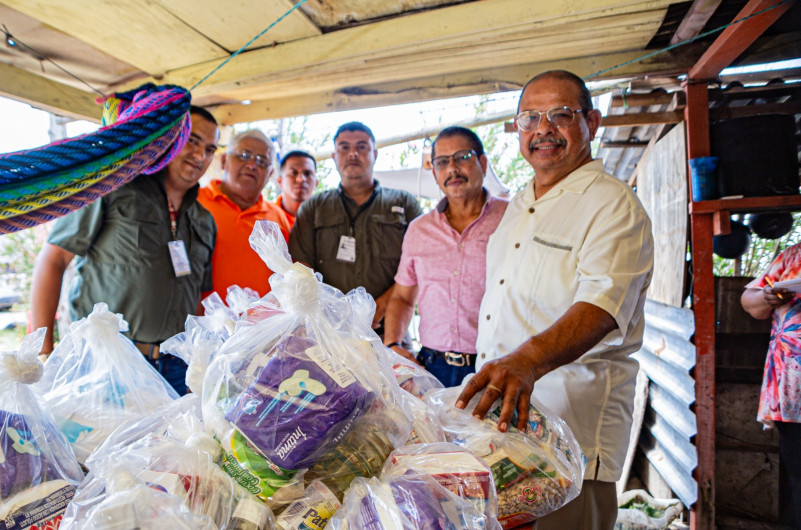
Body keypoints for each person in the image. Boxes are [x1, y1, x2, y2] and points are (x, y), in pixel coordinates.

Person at [456, 70, 654, 529]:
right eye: (529, 118)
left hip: (572, 435)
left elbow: (602, 308)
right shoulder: (519, 202)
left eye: (560, 115)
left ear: (592, 122)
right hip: (506, 428)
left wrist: (526, 360)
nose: (542, 128)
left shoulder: (612, 205)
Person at [30, 106, 220, 395]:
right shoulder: (113, 187)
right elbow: (53, 259)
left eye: (210, 149)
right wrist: (42, 355)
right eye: (192, 140)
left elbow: (195, 298)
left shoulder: (205, 219)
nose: (200, 156)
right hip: (105, 362)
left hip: (177, 369)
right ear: (172, 138)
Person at [383, 126, 507, 386]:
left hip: (496, 364)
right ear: (435, 172)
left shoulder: (511, 218)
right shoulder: (419, 229)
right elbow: (403, 297)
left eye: (462, 157)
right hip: (431, 365)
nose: (452, 168)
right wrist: (393, 345)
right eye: (442, 161)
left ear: (483, 163)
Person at [289, 121, 423, 336]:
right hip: (329, 332)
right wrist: (331, 311)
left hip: (389, 332)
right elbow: (300, 268)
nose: (353, 153)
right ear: (334, 156)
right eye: (344, 147)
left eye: (362, 147)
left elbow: (419, 263)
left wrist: (382, 307)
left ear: (375, 154)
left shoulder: (405, 205)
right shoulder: (313, 208)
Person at [741, 247, 801, 527]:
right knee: (797, 478)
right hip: (793, 395)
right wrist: (767, 296)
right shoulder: (793, 257)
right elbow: (750, 302)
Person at [198, 129, 291, 301]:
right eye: (244, 155)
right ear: (224, 160)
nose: (251, 165)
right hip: (204, 325)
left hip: (266, 326)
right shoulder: (196, 203)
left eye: (262, 161)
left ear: (270, 174)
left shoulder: (278, 218)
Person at [275, 150, 318, 226]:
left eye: (307, 173)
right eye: (293, 173)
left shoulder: (328, 217)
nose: (300, 179)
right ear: (280, 181)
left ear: (316, 183)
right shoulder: (264, 218)